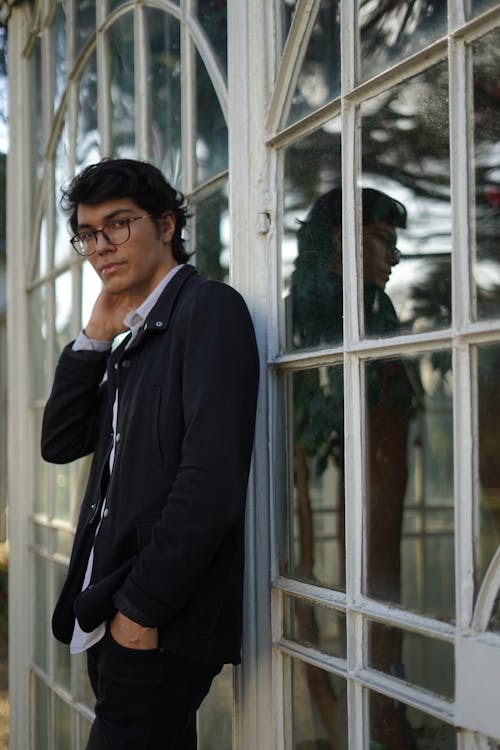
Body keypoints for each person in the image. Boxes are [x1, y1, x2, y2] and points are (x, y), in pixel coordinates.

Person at [41, 158, 259, 750]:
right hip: (113, 610)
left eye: (118, 225)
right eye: (88, 233)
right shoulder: (134, 330)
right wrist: (92, 337)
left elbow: (209, 483)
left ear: (166, 225)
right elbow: (60, 442)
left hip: (157, 620)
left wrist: (142, 609)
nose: (100, 246)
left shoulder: (208, 309)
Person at [291, 187, 419, 749]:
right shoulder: (328, 320)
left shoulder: (370, 314)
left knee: (379, 589)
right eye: (383, 240)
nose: (393, 257)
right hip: (358, 482)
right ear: (343, 241)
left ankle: (382, 711)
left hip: (378, 480)